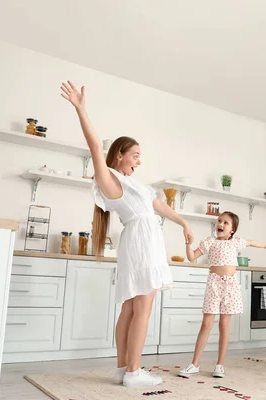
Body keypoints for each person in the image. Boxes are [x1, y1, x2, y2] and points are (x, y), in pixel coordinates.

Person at [60, 81, 193, 387]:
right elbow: (95, 146)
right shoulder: (111, 181)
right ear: (118, 155)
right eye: (135, 154)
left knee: (131, 307)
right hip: (140, 245)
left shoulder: (138, 186)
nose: (139, 159)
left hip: (142, 243)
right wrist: (81, 109)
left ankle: (123, 370)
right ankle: (134, 371)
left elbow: (160, 206)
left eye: (140, 155)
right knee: (142, 307)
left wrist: (185, 224)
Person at [177, 211, 266, 378]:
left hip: (231, 285)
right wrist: (188, 244)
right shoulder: (209, 242)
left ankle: (220, 365)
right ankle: (194, 364)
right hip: (214, 285)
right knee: (206, 323)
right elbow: (192, 256)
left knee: (224, 325)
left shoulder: (236, 242)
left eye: (225, 223)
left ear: (232, 230)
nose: (220, 224)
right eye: (219, 221)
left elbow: (251, 242)